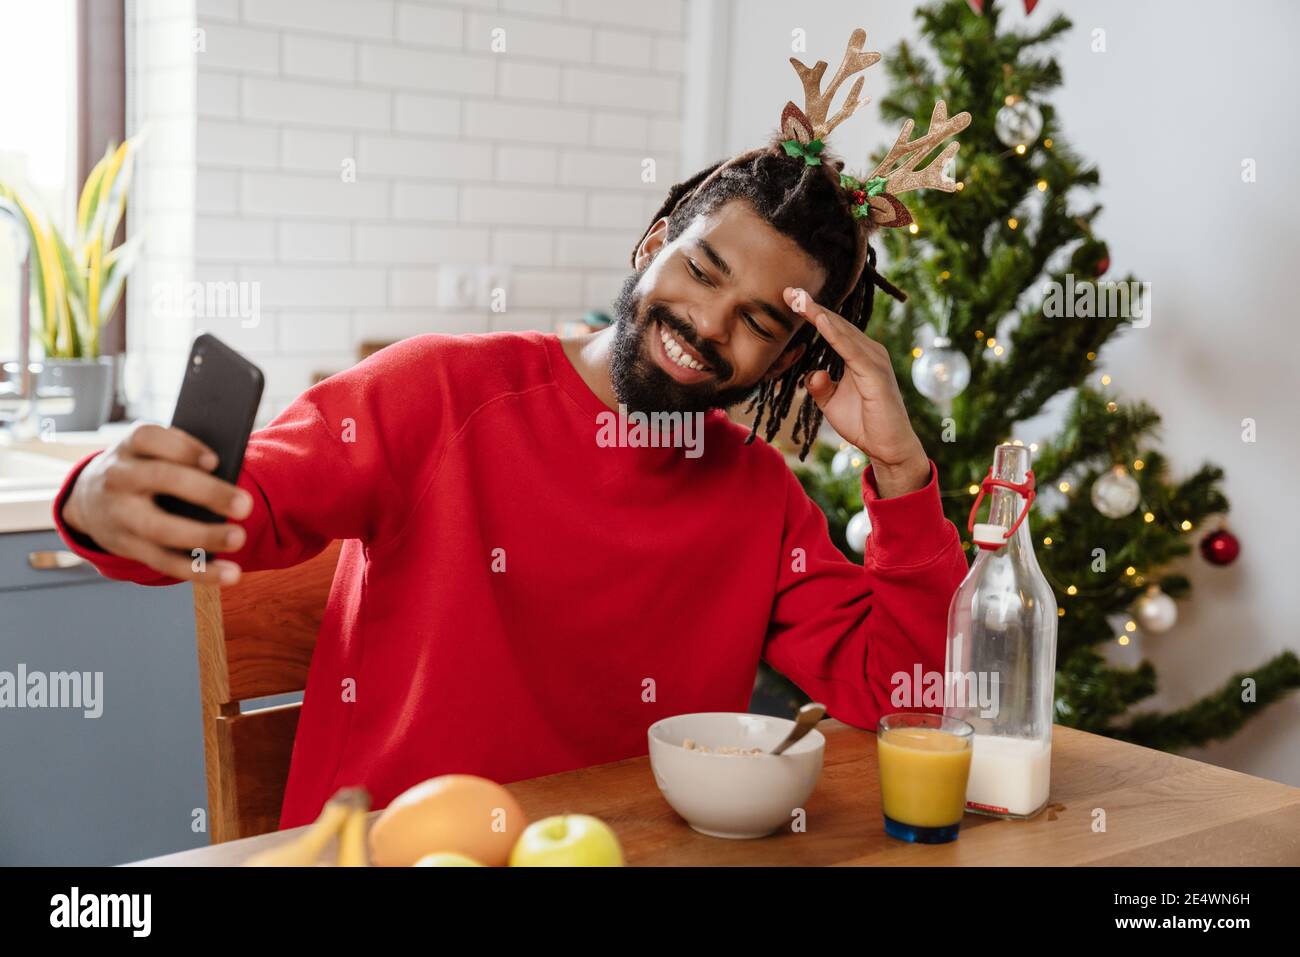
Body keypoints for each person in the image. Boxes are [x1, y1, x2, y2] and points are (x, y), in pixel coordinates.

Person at [51, 29, 971, 828]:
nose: (709, 324)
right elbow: (226, 511)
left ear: (782, 365)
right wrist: (102, 497)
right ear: (653, 246)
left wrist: (898, 466)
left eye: (762, 323)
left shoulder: (760, 499)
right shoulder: (443, 391)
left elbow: (906, 695)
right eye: (702, 271)